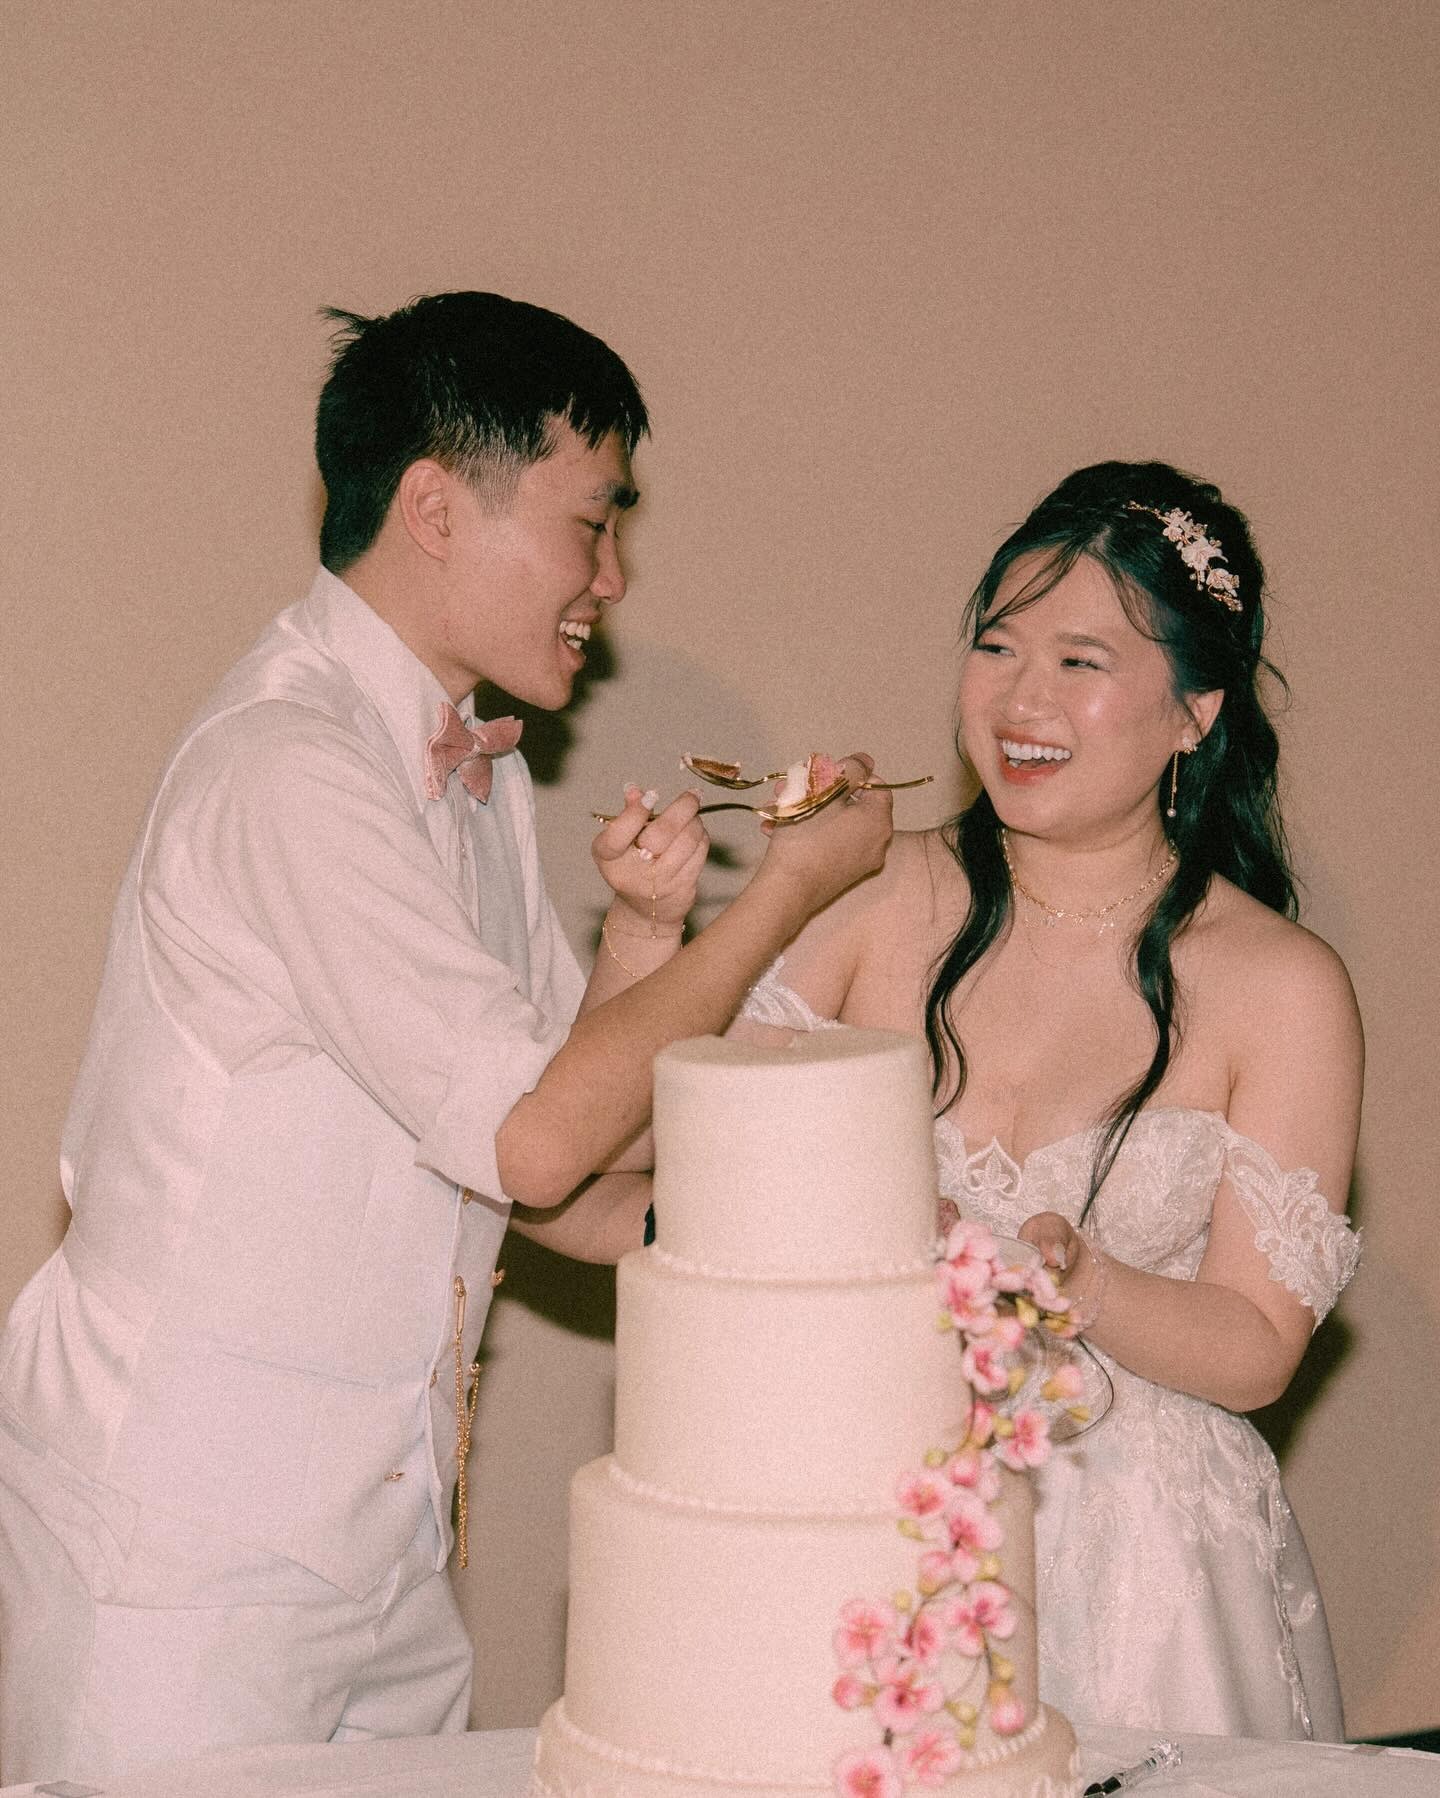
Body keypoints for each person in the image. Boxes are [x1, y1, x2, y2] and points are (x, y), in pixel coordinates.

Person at [0, 291, 893, 1786]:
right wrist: (789, 887)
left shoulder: (470, 773)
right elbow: (536, 1137)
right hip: (184, 1552)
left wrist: (651, 948)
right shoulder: (290, 765)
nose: (610, 576)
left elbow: (572, 1180)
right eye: (590, 522)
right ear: (432, 506)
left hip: (391, 1543)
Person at [730, 460, 1362, 1740]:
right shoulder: (873, 900)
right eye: (998, 644)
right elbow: (700, 1163)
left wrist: (1097, 1289)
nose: (1020, 698)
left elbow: (1259, 1341)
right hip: (867, 1509)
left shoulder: (1279, 986)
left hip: (1146, 1578)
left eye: (1081, 661)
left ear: (1195, 710)